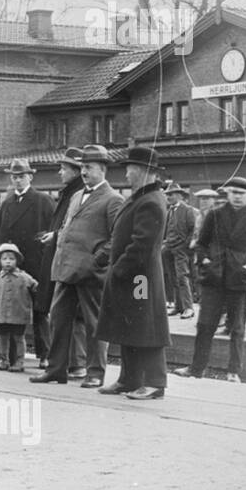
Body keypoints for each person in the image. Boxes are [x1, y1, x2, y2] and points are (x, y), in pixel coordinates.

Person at [31, 144, 123, 387]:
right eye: (82, 167)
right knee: (58, 321)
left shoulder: (113, 199)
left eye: (89, 167)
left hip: (90, 273)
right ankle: (56, 370)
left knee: (94, 324)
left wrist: (97, 261)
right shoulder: (75, 196)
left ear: (102, 170)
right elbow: (66, 227)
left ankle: (95, 373)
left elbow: (118, 238)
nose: (84, 172)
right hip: (65, 270)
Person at [176, 176, 246, 384]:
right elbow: (200, 244)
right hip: (214, 278)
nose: (237, 197)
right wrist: (206, 260)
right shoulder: (214, 216)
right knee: (205, 325)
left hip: (239, 279)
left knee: (237, 327)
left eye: (242, 194)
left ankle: (233, 371)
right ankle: (196, 369)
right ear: (227, 194)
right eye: (234, 193)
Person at [96, 147, 170, 399]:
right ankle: (129, 379)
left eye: (129, 168)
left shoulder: (151, 201)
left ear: (143, 171)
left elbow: (143, 245)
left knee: (146, 325)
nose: (126, 174)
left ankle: (154, 382)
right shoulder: (141, 197)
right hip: (133, 275)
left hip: (140, 276)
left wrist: (118, 269)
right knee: (130, 323)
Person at [0, 159, 55, 368]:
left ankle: (45, 355)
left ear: (30, 177)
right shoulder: (7, 203)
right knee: (9, 311)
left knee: (39, 309)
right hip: (10, 265)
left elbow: (52, 231)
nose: (17, 181)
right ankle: (8, 357)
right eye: (14, 177)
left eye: (21, 177)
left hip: (35, 263)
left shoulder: (42, 201)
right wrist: (0, 260)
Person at [34, 148, 88, 379]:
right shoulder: (70, 192)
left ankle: (77, 364)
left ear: (75, 171)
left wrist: (54, 236)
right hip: (60, 256)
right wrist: (53, 235)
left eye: (64, 168)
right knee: (63, 312)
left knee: (72, 313)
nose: (60, 172)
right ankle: (69, 363)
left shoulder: (76, 193)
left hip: (69, 260)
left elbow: (73, 227)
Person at [0, 243, 37, 372]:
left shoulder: (25, 278)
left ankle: (19, 361)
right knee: (2, 337)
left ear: (17, 261)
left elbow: (36, 289)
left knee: (19, 337)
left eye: (11, 259)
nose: (8, 262)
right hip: (1, 314)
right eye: (4, 259)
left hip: (19, 313)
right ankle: (4, 360)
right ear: (0, 261)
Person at [161, 181, 198, 320]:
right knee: (173, 278)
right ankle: (178, 306)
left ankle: (188, 308)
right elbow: (165, 230)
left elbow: (192, 230)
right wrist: (164, 243)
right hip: (168, 248)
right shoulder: (169, 211)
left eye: (171, 194)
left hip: (181, 249)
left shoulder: (187, 210)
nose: (168, 197)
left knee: (182, 277)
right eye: (167, 194)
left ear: (179, 195)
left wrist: (186, 246)